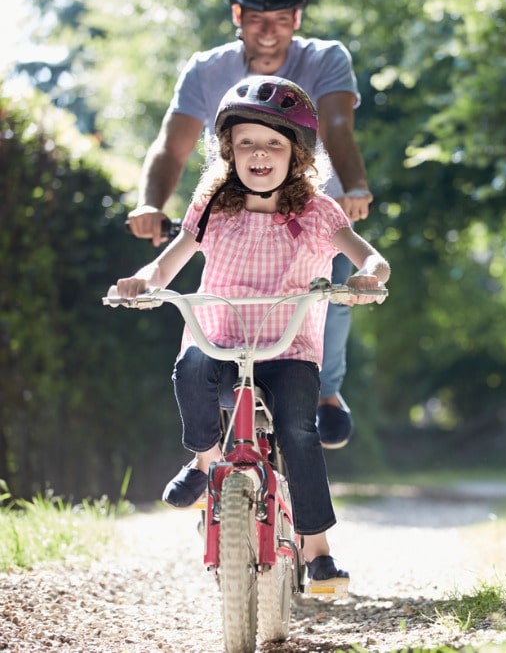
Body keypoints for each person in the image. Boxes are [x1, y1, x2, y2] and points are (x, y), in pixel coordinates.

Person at [113, 75, 391, 587]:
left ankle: (318, 550)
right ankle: (205, 463)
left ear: (297, 154)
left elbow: (369, 256)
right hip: (218, 340)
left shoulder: (317, 211)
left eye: (272, 143)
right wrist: (142, 282)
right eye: (245, 143)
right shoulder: (214, 207)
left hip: (288, 349)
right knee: (189, 366)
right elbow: (168, 262)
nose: (258, 153)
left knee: (299, 432)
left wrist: (369, 276)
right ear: (229, 150)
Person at [127, 0, 368, 449]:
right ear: (237, 16)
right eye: (257, 18)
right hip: (236, 210)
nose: (269, 31)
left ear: (297, 17)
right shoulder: (206, 69)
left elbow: (338, 127)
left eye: (282, 19)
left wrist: (355, 187)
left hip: (307, 209)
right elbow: (171, 148)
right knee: (215, 294)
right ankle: (206, 448)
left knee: (331, 291)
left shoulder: (325, 58)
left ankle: (325, 394)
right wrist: (150, 203)